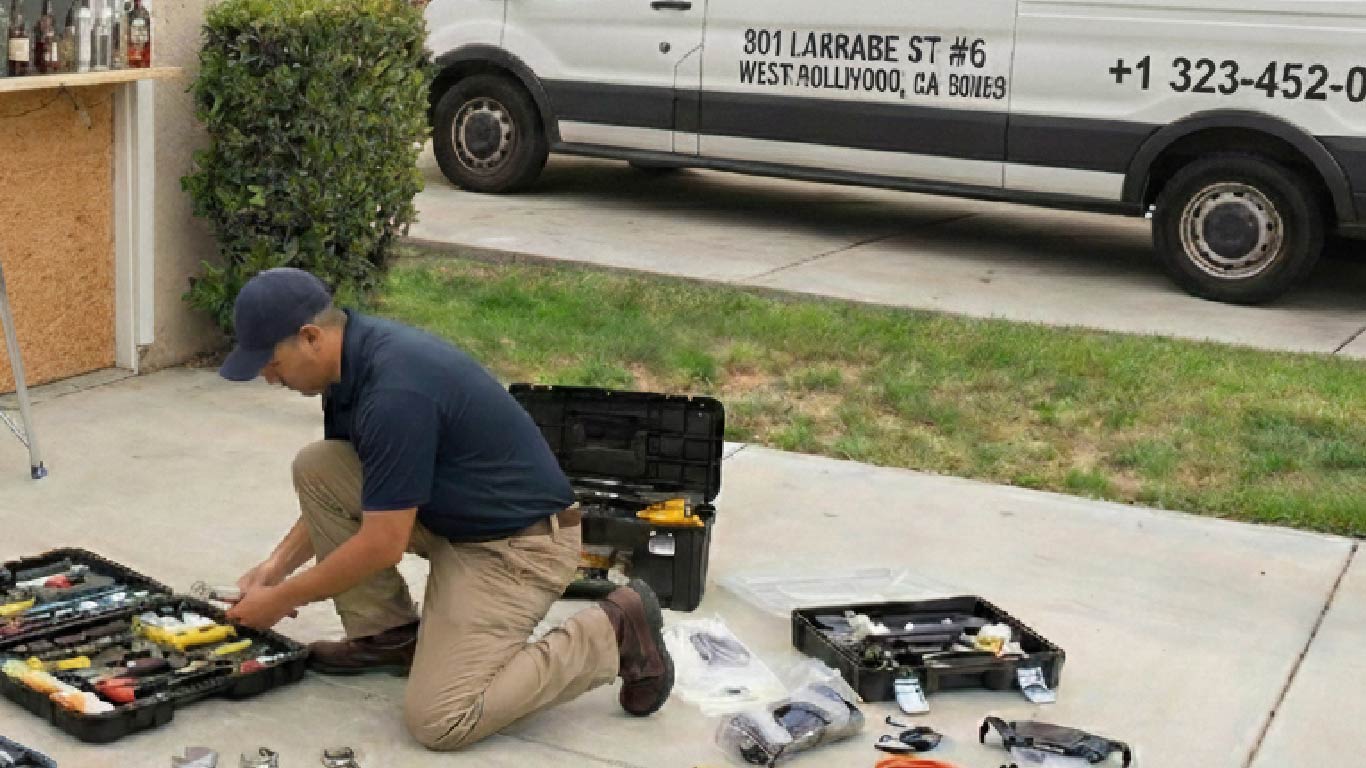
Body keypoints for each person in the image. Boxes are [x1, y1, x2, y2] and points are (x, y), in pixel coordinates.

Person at [217, 267, 674, 750]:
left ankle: (615, 628)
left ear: (310, 338)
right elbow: (358, 488)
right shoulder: (347, 367)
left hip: (519, 547)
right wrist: (273, 569)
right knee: (321, 465)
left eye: (270, 363)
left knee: (442, 719)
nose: (268, 377)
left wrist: (284, 597)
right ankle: (389, 635)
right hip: (454, 518)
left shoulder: (394, 393)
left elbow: (381, 545)